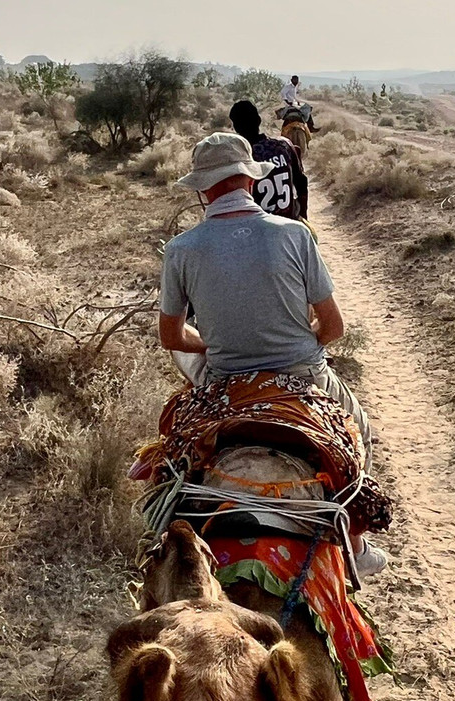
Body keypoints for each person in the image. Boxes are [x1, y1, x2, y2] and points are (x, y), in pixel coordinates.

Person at [159, 132, 387, 577]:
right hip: (302, 373)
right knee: (358, 431)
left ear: (203, 190)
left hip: (226, 381)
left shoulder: (181, 249)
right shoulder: (296, 234)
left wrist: (217, 342)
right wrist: (300, 342)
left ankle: (167, 543)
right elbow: (334, 327)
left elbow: (171, 337)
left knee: (175, 451)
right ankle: (355, 541)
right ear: (250, 180)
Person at [228, 99, 308, 221]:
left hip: (258, 228)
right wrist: (303, 216)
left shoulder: (239, 158)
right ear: (259, 120)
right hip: (290, 223)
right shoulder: (285, 145)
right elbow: (301, 182)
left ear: (235, 127)